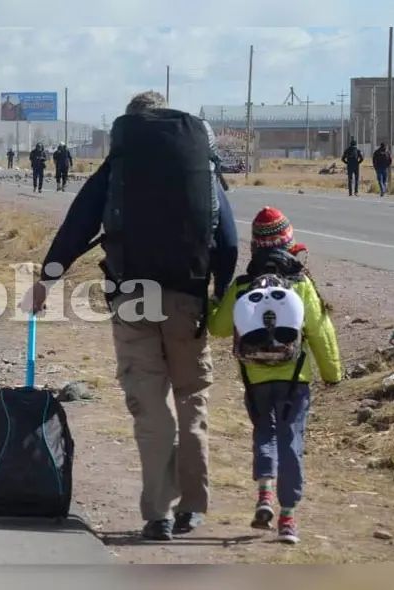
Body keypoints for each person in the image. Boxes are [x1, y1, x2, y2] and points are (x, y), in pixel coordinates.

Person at [24, 91, 240, 541]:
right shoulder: (199, 163)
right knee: (191, 401)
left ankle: (157, 513)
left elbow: (78, 225)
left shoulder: (119, 165)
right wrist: (215, 292)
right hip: (188, 299)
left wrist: (46, 281)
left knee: (150, 407)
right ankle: (192, 509)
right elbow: (230, 239)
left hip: (132, 299)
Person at [208, 207, 342, 545]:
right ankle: (287, 518)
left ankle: (265, 494)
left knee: (264, 433)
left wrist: (212, 303)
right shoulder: (301, 284)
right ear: (288, 242)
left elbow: (220, 327)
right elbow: (320, 332)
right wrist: (332, 373)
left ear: (256, 247)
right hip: (295, 380)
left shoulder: (243, 287)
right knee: (291, 439)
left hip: (256, 380)